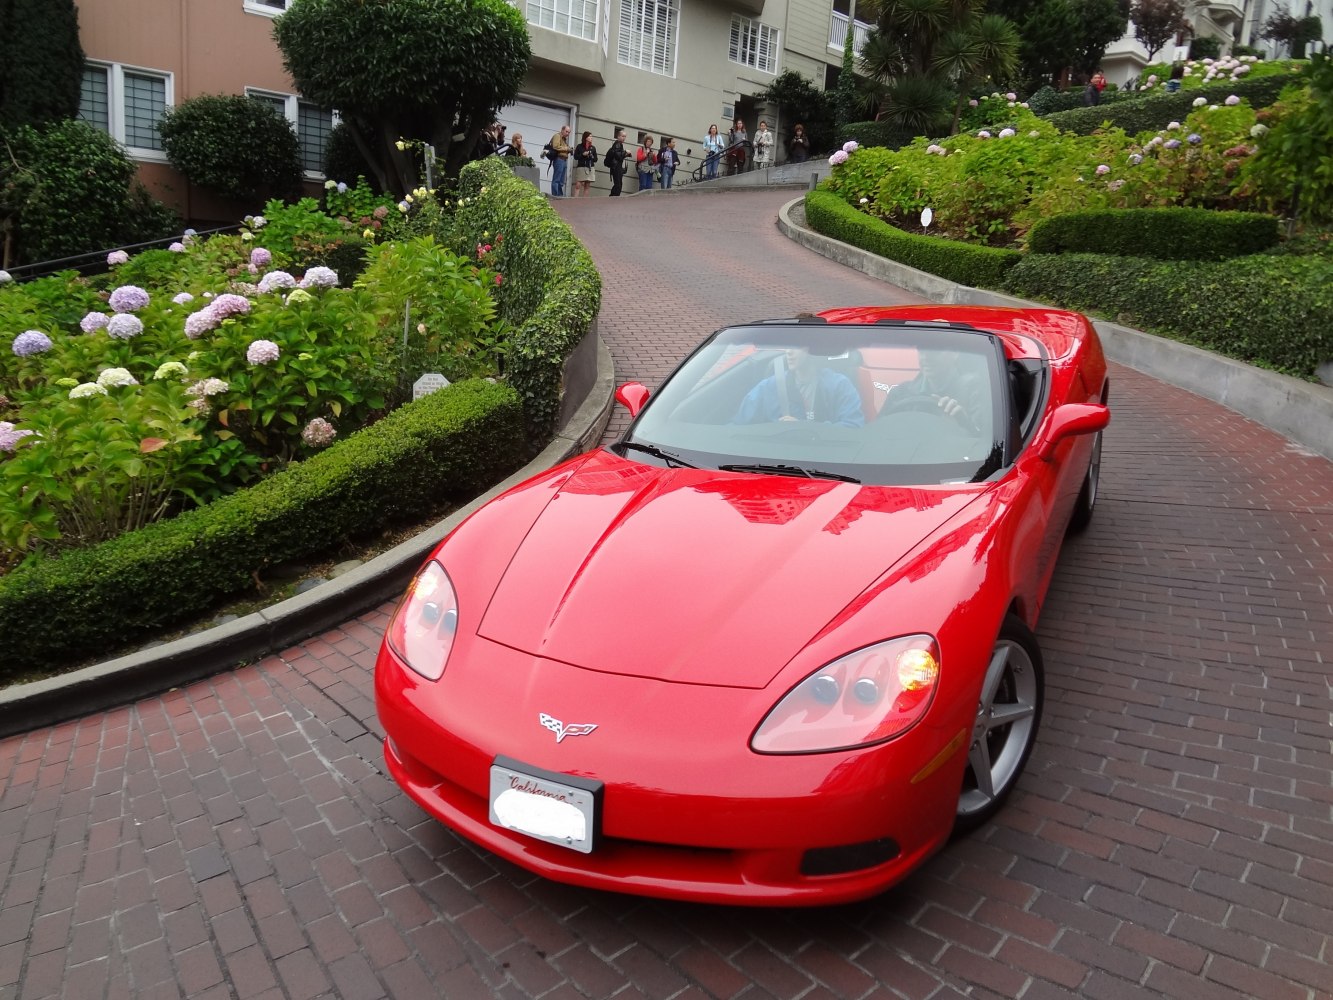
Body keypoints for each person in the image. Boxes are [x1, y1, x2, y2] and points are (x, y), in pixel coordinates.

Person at [735, 347, 864, 427]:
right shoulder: (769, 387)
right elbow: (737, 426)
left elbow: (854, 426)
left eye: (796, 346)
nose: (788, 352)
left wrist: (803, 427)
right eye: (788, 345)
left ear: (813, 349)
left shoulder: (839, 385)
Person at [881, 348, 988, 432]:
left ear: (954, 353)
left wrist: (963, 421)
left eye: (935, 352)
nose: (925, 357)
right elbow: (878, 433)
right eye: (921, 350)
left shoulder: (976, 391)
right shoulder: (901, 393)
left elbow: (984, 443)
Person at [548, 124, 572, 197]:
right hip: (558, 159)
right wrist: (567, 149)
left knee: (561, 181)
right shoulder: (557, 136)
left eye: (569, 132)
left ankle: (559, 195)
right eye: (566, 131)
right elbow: (556, 146)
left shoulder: (564, 139)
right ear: (562, 130)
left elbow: (563, 148)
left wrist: (570, 150)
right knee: (557, 179)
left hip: (564, 160)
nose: (567, 134)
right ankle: (555, 196)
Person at [572, 131, 597, 197]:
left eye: (592, 136)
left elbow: (595, 159)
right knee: (578, 185)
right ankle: (575, 200)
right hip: (581, 167)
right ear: (585, 137)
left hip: (590, 167)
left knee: (587, 186)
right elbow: (575, 157)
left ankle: (584, 201)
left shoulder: (593, 148)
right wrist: (583, 154)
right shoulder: (579, 146)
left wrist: (591, 156)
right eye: (590, 136)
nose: (591, 138)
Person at [605, 129, 630, 196]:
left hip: (616, 166)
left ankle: (613, 197)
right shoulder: (617, 144)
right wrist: (625, 152)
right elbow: (618, 155)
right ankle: (613, 198)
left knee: (618, 184)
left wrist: (626, 154)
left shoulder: (619, 144)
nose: (624, 138)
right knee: (618, 184)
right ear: (618, 136)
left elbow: (618, 156)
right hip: (616, 167)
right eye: (622, 136)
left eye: (625, 136)